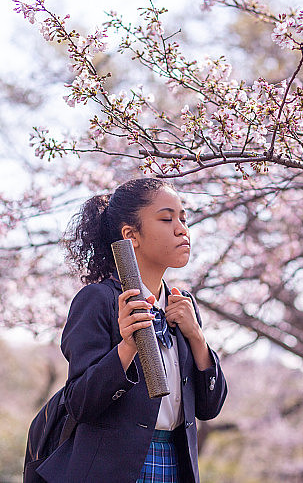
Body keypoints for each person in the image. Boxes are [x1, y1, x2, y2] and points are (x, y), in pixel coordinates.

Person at [36, 178, 228, 483]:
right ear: (131, 235)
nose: (181, 229)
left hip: (176, 465)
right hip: (111, 471)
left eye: (183, 218)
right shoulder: (99, 300)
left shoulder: (182, 305)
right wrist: (126, 348)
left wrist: (197, 337)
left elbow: (209, 407)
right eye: (167, 219)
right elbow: (79, 403)